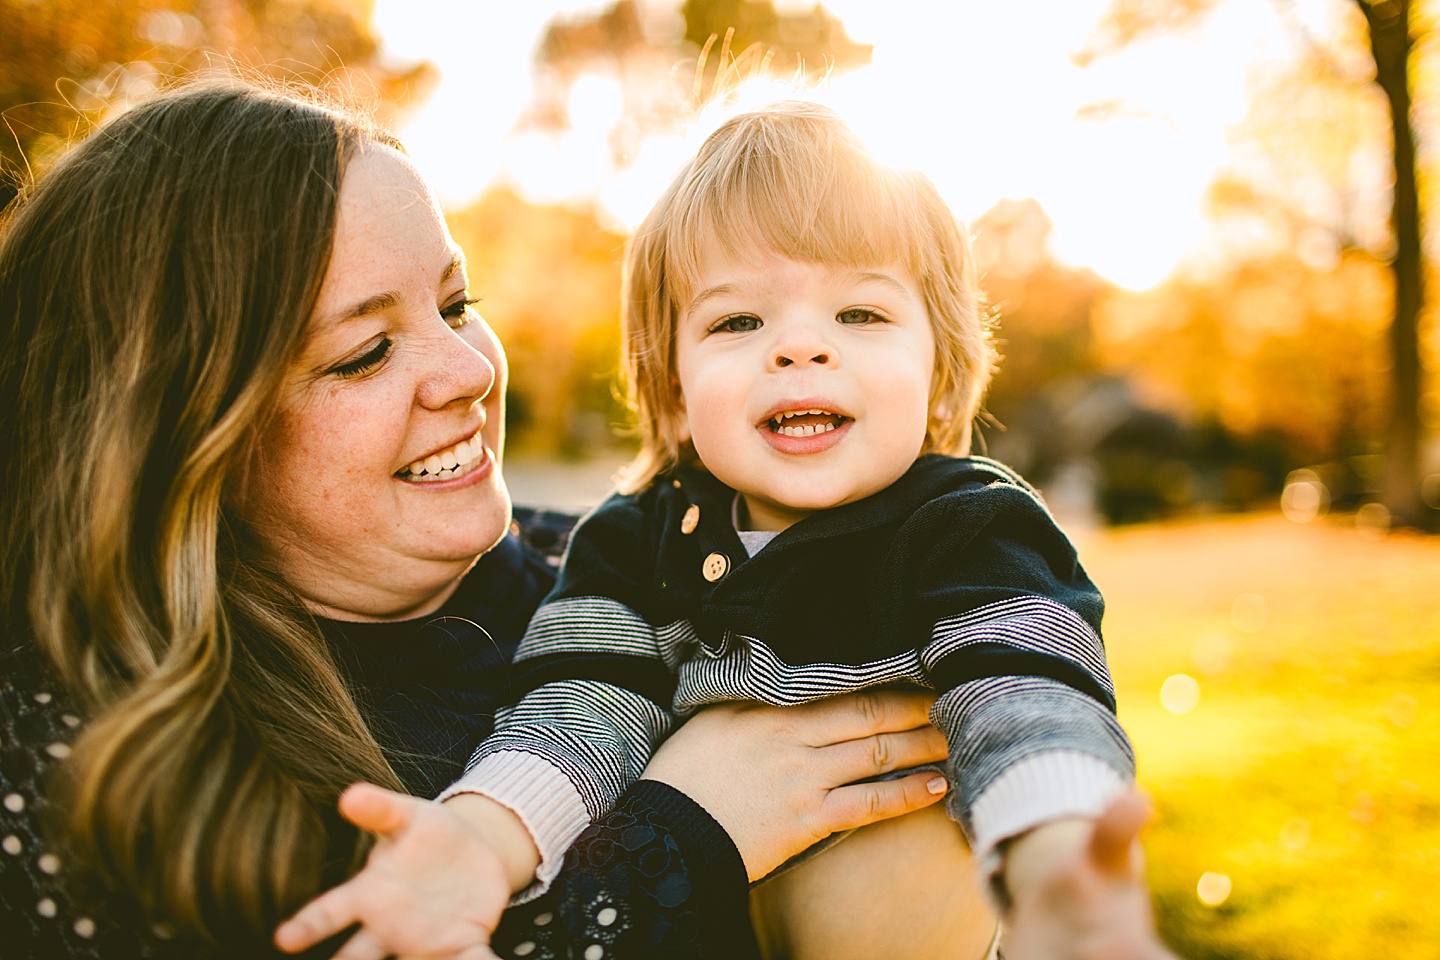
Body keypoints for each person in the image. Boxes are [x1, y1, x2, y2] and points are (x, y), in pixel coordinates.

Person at [0, 81, 958, 959]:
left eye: (458, 304)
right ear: (180, 433)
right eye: (364, 353)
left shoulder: (628, 577)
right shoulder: (68, 756)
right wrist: (680, 831)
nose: (471, 371)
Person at [279, 102, 1176, 960]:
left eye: (859, 314)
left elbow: (1027, 699)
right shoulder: (633, 545)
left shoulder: (969, 527)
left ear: (942, 373)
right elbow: (577, 714)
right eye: (738, 321)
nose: (800, 347)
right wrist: (479, 841)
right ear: (672, 388)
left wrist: (1060, 864)